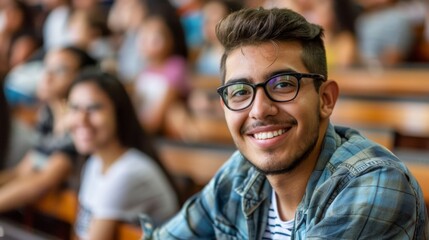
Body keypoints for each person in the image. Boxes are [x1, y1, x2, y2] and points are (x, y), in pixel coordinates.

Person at [140, 7, 429, 239]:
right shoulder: (239, 174)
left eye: (282, 84)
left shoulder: (375, 184)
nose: (259, 110)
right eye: (240, 92)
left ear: (326, 99)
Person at [66, 70, 179, 240]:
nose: (82, 119)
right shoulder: (94, 162)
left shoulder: (127, 173)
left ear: (118, 113)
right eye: (74, 108)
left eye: (94, 108)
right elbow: (80, 232)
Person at [0, 46, 96, 212]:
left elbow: (44, 181)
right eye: (46, 67)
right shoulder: (48, 115)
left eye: (60, 70)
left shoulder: (80, 123)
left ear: (80, 78)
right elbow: (23, 170)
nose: (47, 76)